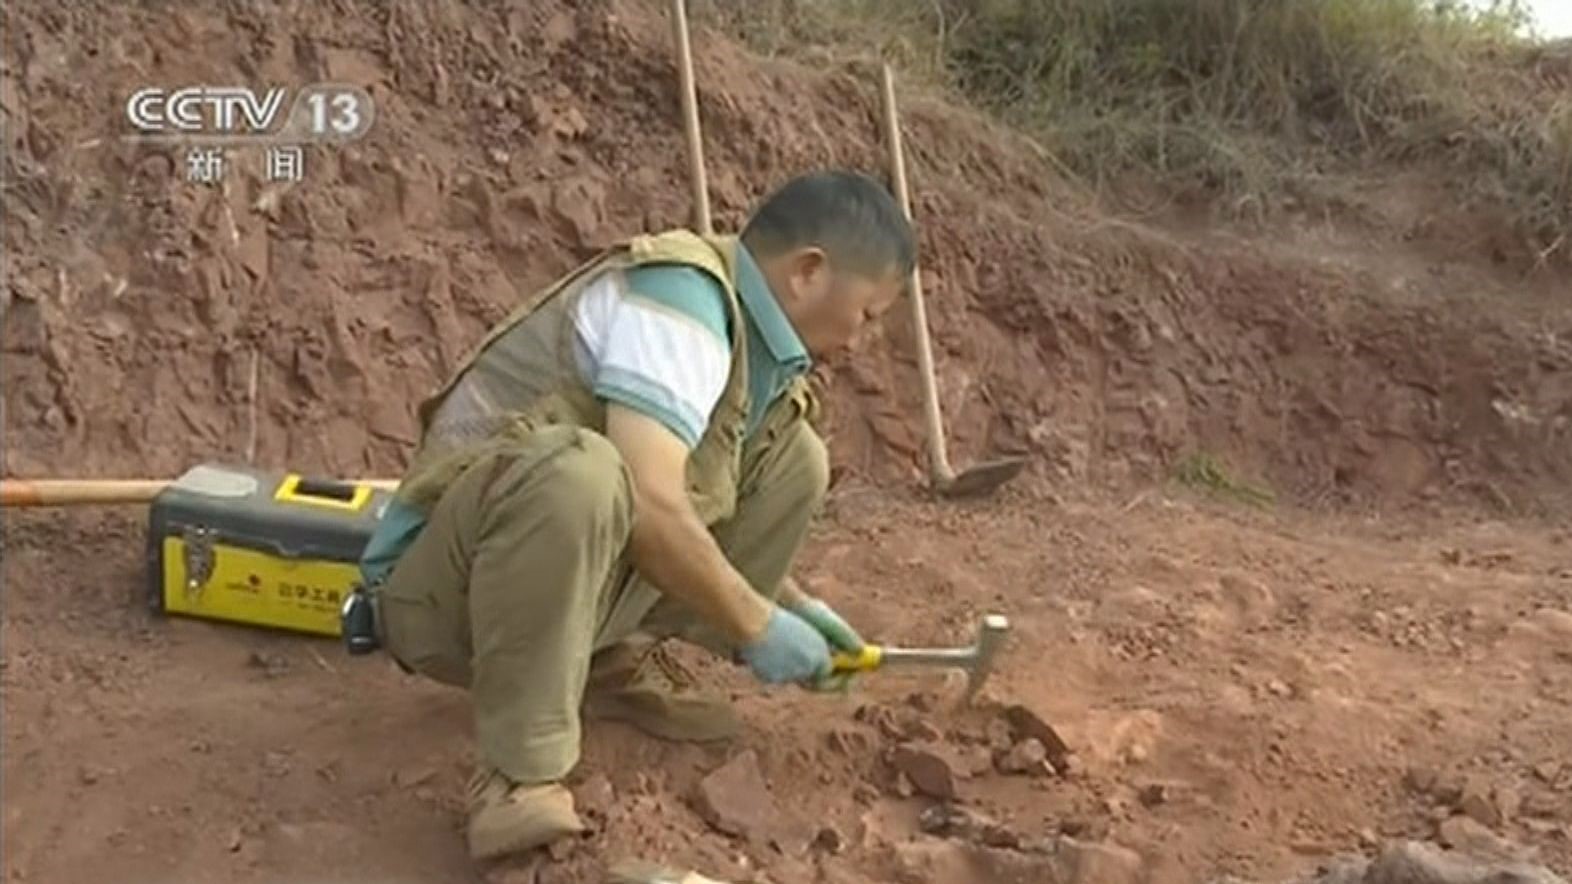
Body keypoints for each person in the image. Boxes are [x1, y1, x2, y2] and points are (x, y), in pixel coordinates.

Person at [357, 169, 916, 861]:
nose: (861, 341)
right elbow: (651, 506)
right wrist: (756, 622)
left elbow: (689, 496)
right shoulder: (681, 304)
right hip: (442, 597)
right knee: (581, 474)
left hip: (540, 576)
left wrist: (791, 604)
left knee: (794, 457)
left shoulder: (752, 350)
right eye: (867, 314)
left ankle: (602, 661)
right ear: (807, 273)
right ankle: (518, 776)